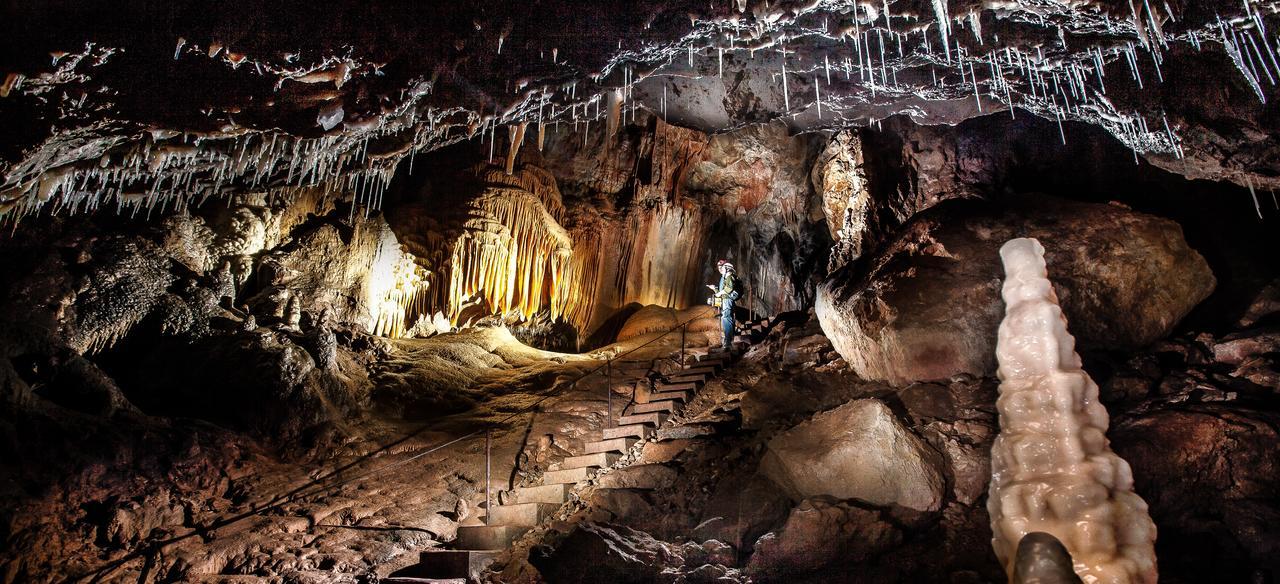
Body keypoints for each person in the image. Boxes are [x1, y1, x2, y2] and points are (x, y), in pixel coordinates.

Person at [706, 259, 740, 350]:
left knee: (726, 317)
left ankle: (728, 341)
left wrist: (719, 293)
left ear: (726, 266)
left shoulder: (729, 275)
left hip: (728, 300)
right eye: (718, 267)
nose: (719, 269)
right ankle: (730, 338)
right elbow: (723, 292)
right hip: (726, 299)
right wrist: (715, 289)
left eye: (721, 267)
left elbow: (729, 289)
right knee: (727, 317)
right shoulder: (723, 277)